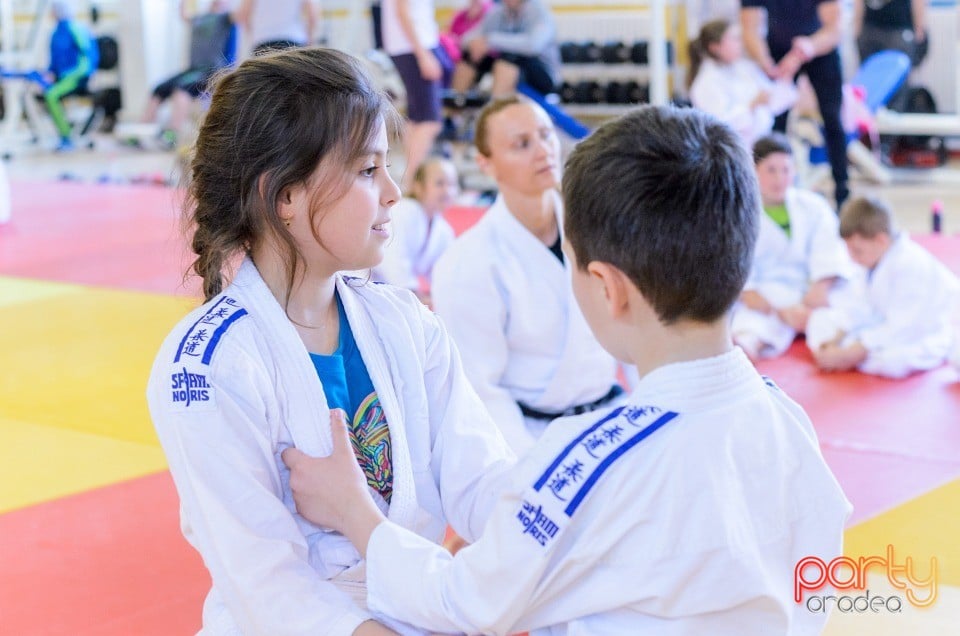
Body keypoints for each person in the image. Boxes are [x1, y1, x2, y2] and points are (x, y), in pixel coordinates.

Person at [281, 104, 852, 634]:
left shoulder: (589, 465)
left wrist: (355, 514)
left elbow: (468, 601)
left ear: (607, 287)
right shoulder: (786, 416)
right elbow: (820, 572)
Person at [146, 47, 515, 635]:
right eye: (368, 171)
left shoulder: (404, 323)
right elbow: (266, 583)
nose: (394, 192)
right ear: (285, 195)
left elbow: (483, 481)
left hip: (419, 608)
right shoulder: (208, 365)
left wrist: (560, 535)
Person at [430, 95, 625, 455]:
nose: (543, 151)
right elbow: (480, 388)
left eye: (546, 135)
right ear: (485, 163)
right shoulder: (467, 262)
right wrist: (527, 469)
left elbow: (639, 327)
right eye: (522, 144)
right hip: (531, 435)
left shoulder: (600, 228)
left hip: (613, 416)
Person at [807, 195, 960, 378]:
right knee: (819, 321)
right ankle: (844, 355)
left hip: (930, 329)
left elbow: (904, 326)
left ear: (881, 240)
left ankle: (851, 357)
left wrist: (854, 352)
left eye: (857, 251)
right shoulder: (872, 260)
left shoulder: (909, 265)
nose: (851, 257)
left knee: (894, 362)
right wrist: (836, 338)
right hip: (884, 325)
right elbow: (859, 308)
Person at [731, 133, 850, 359]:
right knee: (748, 326)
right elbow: (741, 279)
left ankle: (834, 346)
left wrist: (818, 289)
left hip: (811, 292)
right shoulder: (739, 215)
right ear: (754, 172)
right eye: (771, 170)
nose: (780, 178)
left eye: (786, 170)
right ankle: (748, 346)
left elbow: (830, 251)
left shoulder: (813, 206)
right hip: (766, 298)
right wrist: (780, 311)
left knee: (847, 308)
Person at [740, 0, 848, 208]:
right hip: (778, 49)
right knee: (775, 123)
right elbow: (750, 28)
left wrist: (805, 50)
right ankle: (767, 189)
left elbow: (834, 30)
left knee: (833, 120)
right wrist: (766, 63)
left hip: (819, 47)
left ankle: (842, 191)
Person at [140, 0, 237, 149]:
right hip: (192, 70)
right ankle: (141, 133)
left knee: (181, 91)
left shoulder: (225, 18)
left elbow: (242, 15)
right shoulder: (199, 18)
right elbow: (183, 14)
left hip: (211, 72)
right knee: (158, 89)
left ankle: (171, 136)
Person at [688, 19, 796, 148]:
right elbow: (719, 125)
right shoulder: (705, 82)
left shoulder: (745, 68)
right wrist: (752, 105)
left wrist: (784, 80)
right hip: (731, 149)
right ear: (715, 47)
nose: (740, 44)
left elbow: (774, 101)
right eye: (734, 39)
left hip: (761, 144)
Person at [379, 0, 446, 192]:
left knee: (417, 119)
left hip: (410, 46)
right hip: (412, 47)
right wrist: (423, 54)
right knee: (429, 121)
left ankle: (410, 181)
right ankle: (412, 183)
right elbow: (403, 12)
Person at [372, 156, 458, 303]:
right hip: (368, 283)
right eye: (440, 184)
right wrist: (417, 296)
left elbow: (445, 273)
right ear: (418, 187)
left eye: (452, 184)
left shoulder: (443, 230)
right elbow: (393, 260)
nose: (447, 191)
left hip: (396, 293)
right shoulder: (403, 212)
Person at [451, 0, 561, 97]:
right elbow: (467, 38)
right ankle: (454, 110)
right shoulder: (498, 11)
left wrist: (490, 41)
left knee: (506, 62)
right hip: (511, 66)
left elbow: (532, 45)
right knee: (469, 58)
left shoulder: (540, 12)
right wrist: (475, 44)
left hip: (543, 74)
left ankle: (496, 111)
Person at [44, 0, 97, 151]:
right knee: (42, 90)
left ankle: (66, 136)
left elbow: (87, 60)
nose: (51, 12)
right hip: (62, 78)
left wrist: (77, 75)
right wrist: (50, 73)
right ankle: (63, 133)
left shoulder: (76, 29)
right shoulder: (55, 33)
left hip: (77, 79)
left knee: (51, 95)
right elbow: (54, 61)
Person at [853, 0, 927, 68]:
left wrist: (919, 28)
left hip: (898, 29)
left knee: (898, 74)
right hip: (870, 29)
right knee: (870, 74)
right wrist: (857, 28)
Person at [234, 0, 317, 54]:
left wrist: (252, 36)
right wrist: (310, 41)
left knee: (266, 80)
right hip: (294, 40)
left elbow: (243, 15)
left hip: (263, 41)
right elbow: (312, 16)